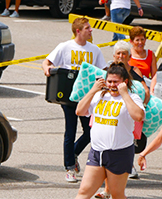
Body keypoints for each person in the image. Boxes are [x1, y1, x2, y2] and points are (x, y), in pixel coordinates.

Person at [42, 17, 107, 183]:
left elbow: (104, 70)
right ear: (78, 31)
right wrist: (47, 69)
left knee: (91, 132)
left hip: (88, 98)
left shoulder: (95, 50)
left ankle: (74, 152)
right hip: (70, 97)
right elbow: (47, 61)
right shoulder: (65, 47)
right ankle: (70, 168)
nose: (91, 30)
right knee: (70, 131)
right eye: (87, 28)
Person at [74, 63, 145, 199]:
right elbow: (80, 111)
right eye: (109, 81)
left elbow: (139, 116)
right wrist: (93, 91)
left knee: (117, 194)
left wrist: (124, 94)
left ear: (124, 82)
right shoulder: (99, 96)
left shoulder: (132, 98)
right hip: (97, 152)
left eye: (116, 82)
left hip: (120, 153)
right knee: (84, 192)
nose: (112, 85)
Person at [95, 41, 151, 198]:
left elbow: (145, 90)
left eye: (123, 54)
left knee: (122, 144)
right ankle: (107, 190)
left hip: (127, 114)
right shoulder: (109, 71)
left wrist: (143, 104)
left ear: (129, 56)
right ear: (114, 55)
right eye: (118, 53)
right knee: (107, 148)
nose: (120, 56)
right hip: (108, 114)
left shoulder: (134, 71)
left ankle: (116, 184)